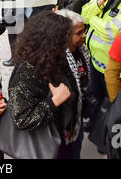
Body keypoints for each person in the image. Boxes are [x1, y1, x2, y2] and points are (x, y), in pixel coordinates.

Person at [8, 11, 76, 159]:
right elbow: (22, 119)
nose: (69, 41)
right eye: (65, 38)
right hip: (43, 145)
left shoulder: (56, 57)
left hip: (62, 134)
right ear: (52, 42)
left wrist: (70, 124)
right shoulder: (25, 74)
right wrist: (54, 102)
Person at [56, 9, 92, 159]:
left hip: (77, 116)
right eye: (79, 33)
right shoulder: (57, 60)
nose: (84, 35)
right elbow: (63, 99)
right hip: (65, 125)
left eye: (84, 31)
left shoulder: (80, 50)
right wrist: (69, 125)